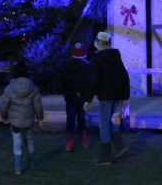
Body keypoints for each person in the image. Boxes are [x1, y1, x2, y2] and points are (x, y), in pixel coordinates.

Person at [84, 32, 130, 165]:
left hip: (105, 96)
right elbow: (124, 76)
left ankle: (105, 157)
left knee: (103, 125)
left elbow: (94, 81)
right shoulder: (116, 58)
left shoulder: (97, 61)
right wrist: (125, 96)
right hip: (117, 95)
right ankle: (120, 145)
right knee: (107, 121)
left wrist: (88, 99)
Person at [0, 60, 44, 175]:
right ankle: (32, 163)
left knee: (17, 143)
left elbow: (3, 104)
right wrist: (39, 118)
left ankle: (18, 168)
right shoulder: (32, 87)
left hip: (15, 122)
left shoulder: (10, 88)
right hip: (28, 121)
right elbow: (38, 105)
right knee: (29, 140)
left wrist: (4, 117)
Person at [56, 42, 90, 151]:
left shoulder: (65, 65)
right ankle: (83, 139)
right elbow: (87, 82)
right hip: (81, 97)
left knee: (70, 118)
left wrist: (66, 92)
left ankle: (69, 141)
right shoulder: (86, 66)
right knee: (81, 117)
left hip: (69, 96)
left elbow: (61, 81)